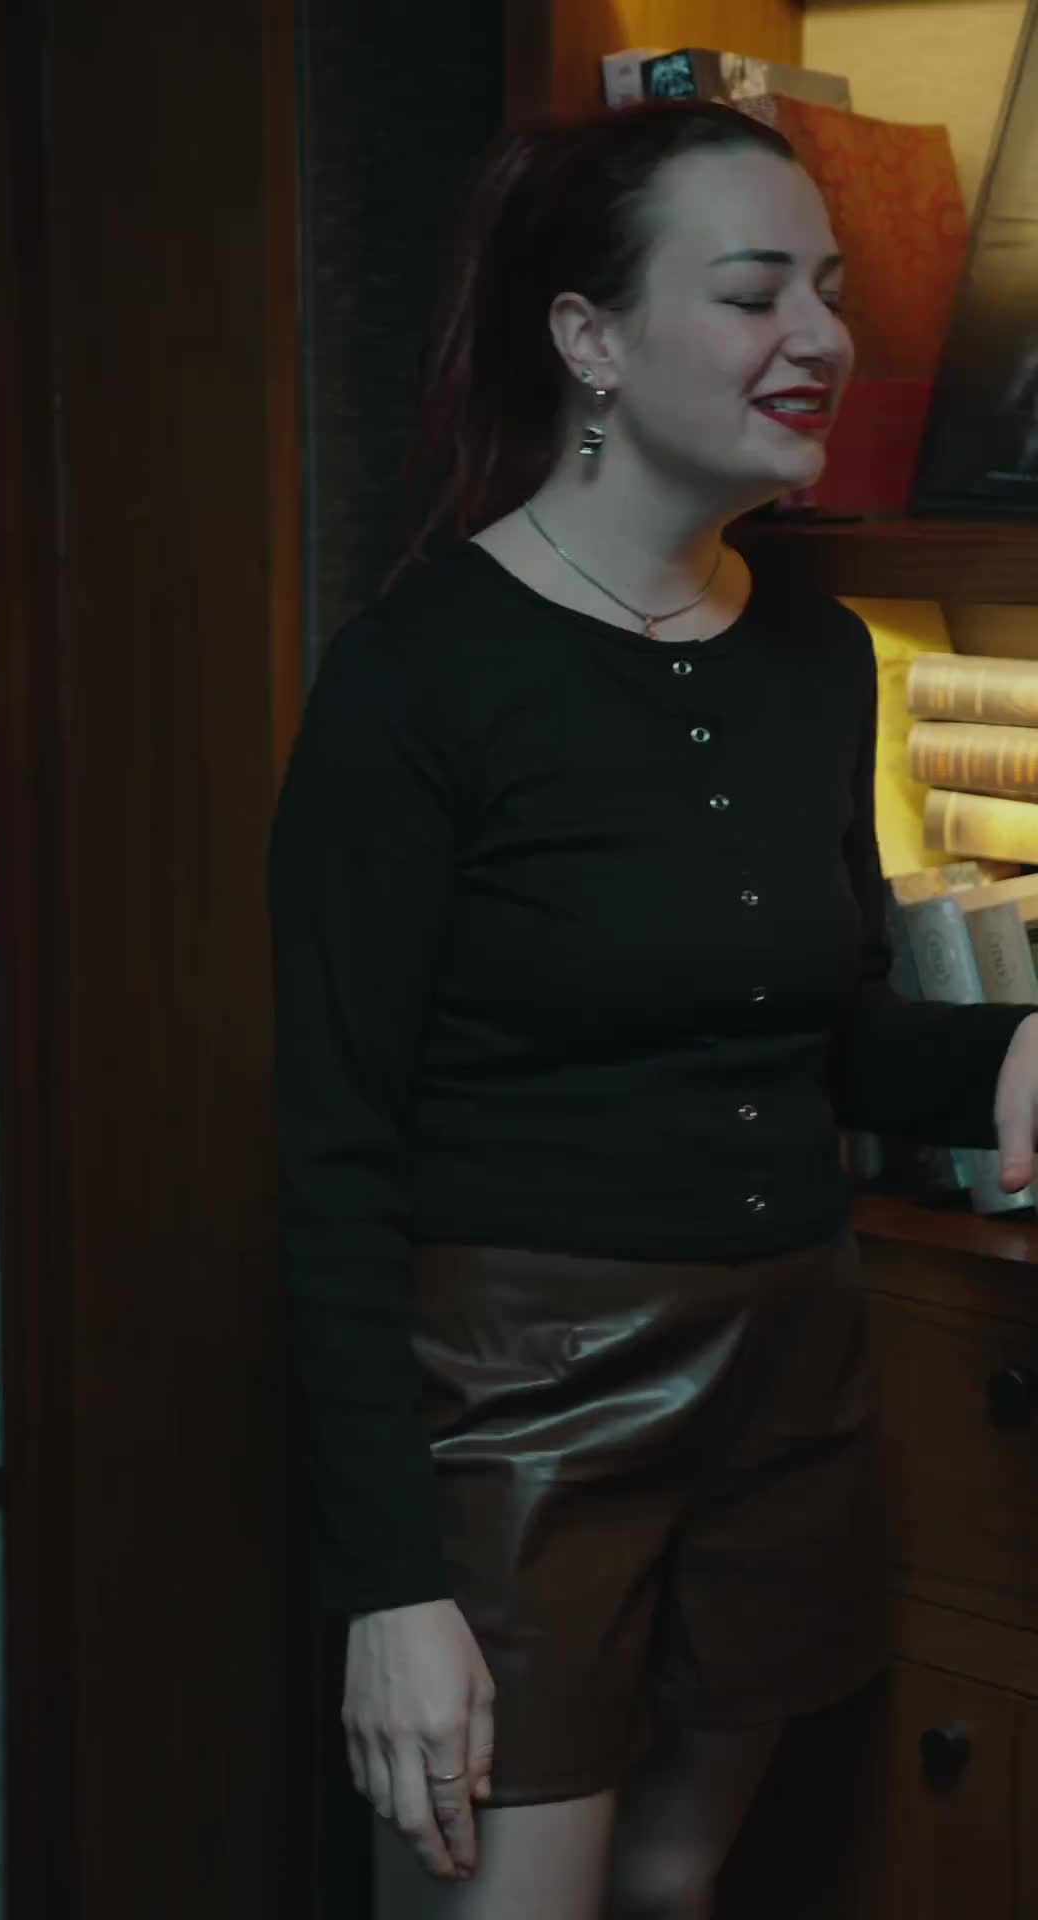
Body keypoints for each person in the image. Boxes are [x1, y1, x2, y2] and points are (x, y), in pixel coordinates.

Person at [269, 100, 1038, 1920]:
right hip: (523, 1399)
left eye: (831, 293)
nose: (821, 338)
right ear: (589, 338)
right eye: (756, 293)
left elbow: (826, 1026)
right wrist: (392, 1587)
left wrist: (1013, 1042)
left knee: (678, 1888)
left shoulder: (815, 653)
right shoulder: (417, 676)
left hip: (793, 1380)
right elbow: (330, 1155)